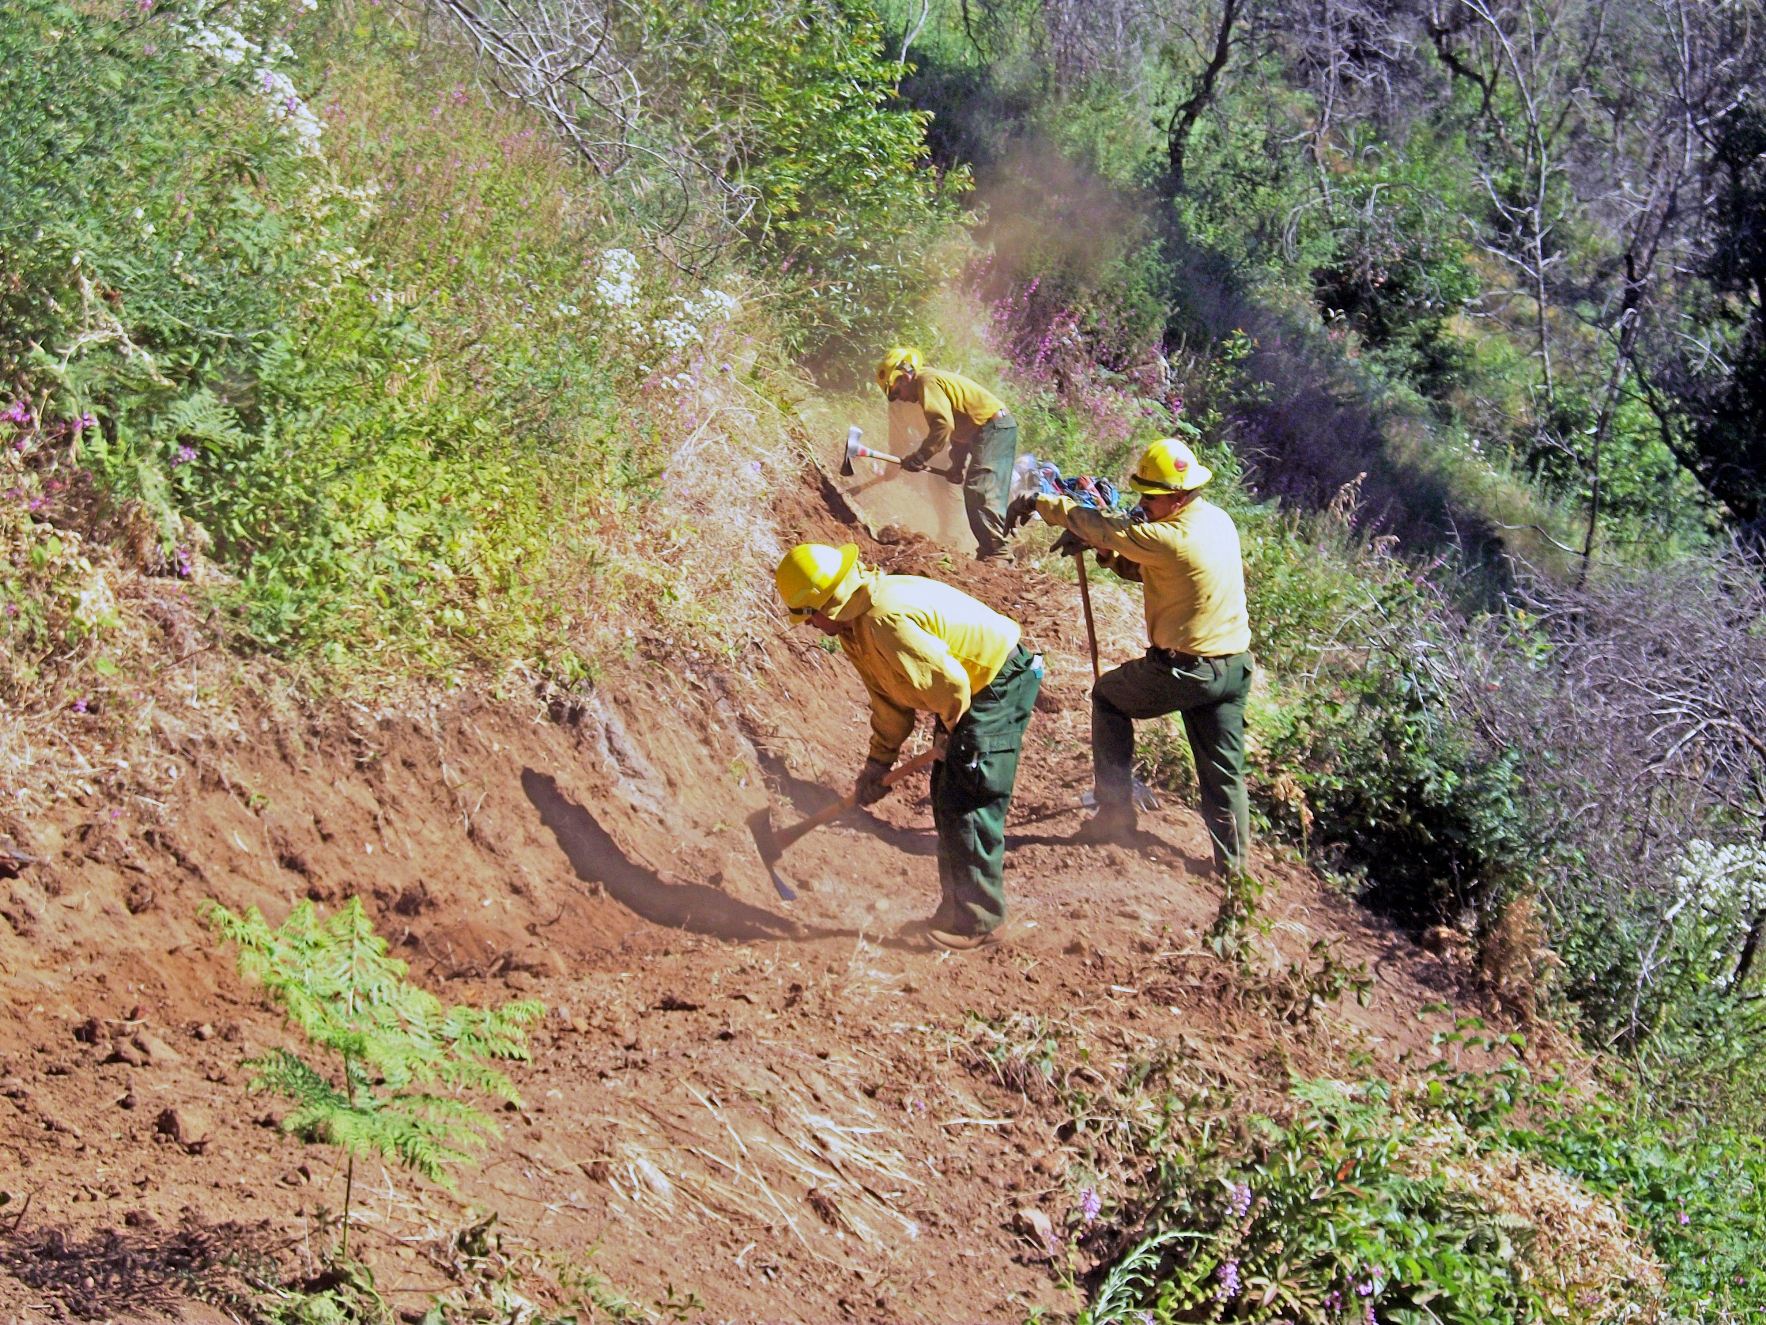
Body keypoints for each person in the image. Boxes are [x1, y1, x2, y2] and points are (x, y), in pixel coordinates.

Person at [774, 542, 1042, 948]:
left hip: (997, 682)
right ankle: (956, 911)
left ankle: (980, 922)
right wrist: (877, 764)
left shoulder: (884, 619)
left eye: (807, 617)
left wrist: (954, 735)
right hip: (968, 690)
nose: (809, 626)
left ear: (823, 608)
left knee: (968, 795)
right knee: (946, 793)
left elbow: (950, 686)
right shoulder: (855, 626)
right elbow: (890, 702)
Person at [1026, 437, 1253, 877]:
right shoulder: (1216, 521)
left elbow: (1105, 528)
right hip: (1233, 667)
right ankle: (1235, 873)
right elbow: (1146, 565)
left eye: (1151, 497)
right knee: (1223, 774)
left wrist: (1044, 504)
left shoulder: (1173, 536)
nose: (1143, 504)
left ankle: (1114, 815)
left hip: (1191, 669)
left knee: (1109, 698)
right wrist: (1106, 554)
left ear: (1178, 497)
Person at [876, 347, 1017, 561]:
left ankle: (997, 554)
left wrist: (921, 456)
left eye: (896, 392)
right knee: (970, 486)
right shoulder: (923, 386)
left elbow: (943, 425)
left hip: (994, 427)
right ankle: (983, 549)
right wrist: (956, 466)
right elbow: (958, 429)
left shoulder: (926, 382)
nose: (899, 399)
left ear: (905, 377)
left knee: (979, 487)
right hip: (976, 431)